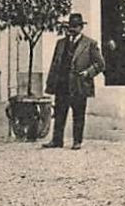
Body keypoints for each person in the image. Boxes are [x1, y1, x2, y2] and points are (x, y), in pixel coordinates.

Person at [42, 12, 104, 150]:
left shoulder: (90, 44)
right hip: (62, 84)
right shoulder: (61, 43)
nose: (72, 29)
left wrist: (88, 73)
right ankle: (57, 140)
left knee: (78, 114)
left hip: (79, 84)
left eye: (76, 26)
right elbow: (55, 64)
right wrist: (51, 84)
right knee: (59, 113)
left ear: (81, 28)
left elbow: (100, 64)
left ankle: (77, 141)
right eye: (71, 26)